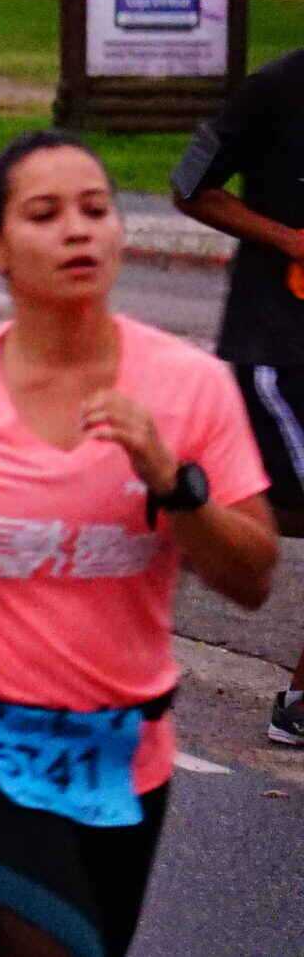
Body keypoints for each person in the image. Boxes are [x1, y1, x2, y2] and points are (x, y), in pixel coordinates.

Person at [0, 132, 275, 954]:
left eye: (95, 210)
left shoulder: (190, 385)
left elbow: (252, 577)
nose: (78, 230)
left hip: (125, 750)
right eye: (45, 213)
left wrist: (172, 480)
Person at [170, 46, 304, 745]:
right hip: (277, 350)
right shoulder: (274, 89)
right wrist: (292, 239)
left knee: (246, 513)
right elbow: (187, 185)